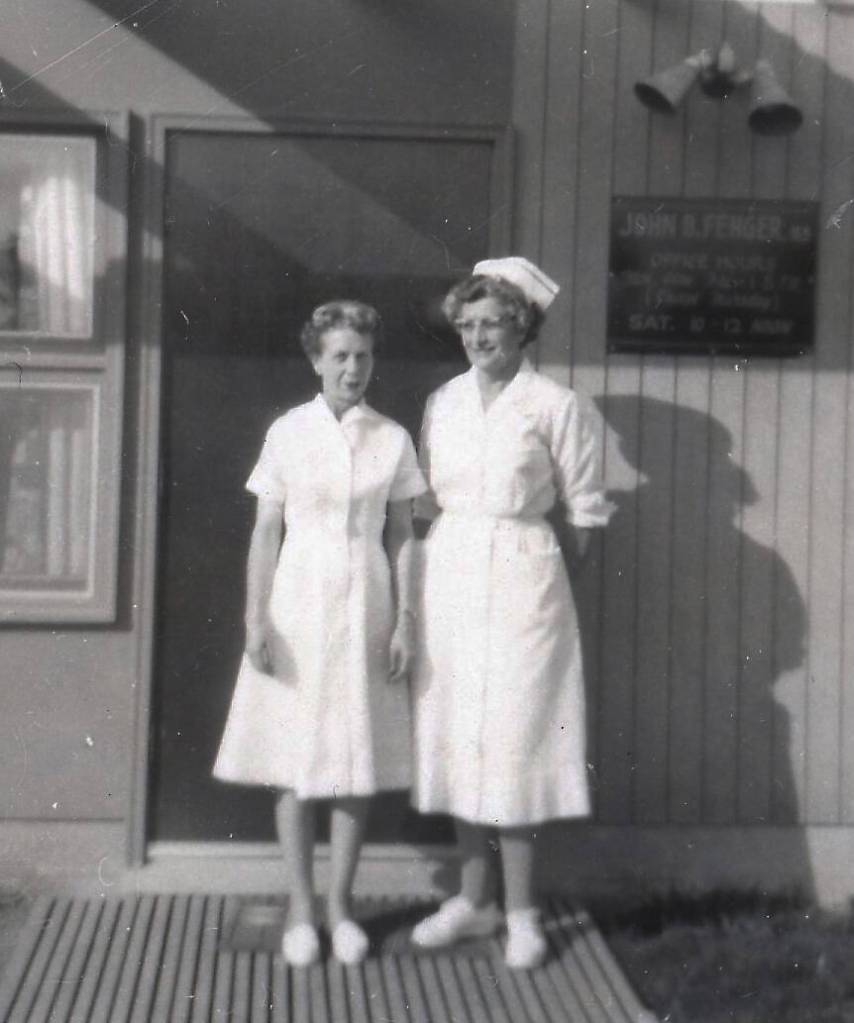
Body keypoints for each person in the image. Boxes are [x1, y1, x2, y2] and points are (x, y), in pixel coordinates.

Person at [410, 257, 614, 969]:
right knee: (460, 732)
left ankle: (523, 911)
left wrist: (536, 580)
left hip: (528, 577)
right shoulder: (442, 401)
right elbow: (429, 498)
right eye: (466, 325)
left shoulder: (558, 406)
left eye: (491, 323)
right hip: (453, 568)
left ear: (523, 326)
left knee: (519, 737)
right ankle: (474, 901)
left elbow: (584, 516)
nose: (476, 337)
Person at [213, 300, 426, 967]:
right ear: (316, 359)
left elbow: (403, 535)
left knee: (355, 762)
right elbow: (266, 531)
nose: (352, 368)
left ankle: (341, 904)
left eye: (363, 355)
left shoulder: (392, 436)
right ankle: (302, 907)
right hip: (297, 602)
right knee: (295, 760)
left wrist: (406, 620)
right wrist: (255, 617)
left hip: (367, 602)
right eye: (339, 355)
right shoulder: (288, 431)